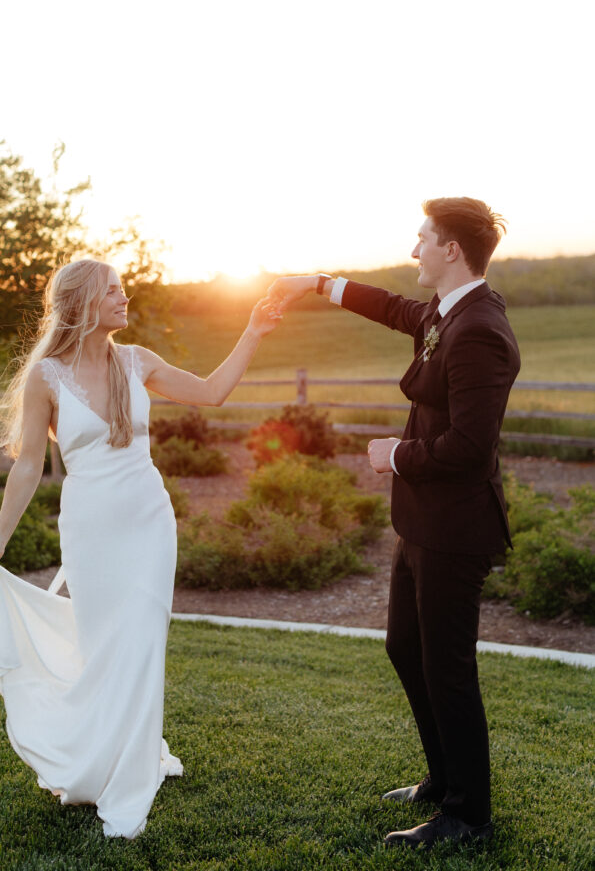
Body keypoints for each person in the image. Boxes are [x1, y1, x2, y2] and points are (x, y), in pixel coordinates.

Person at [0, 257, 281, 839]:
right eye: (114, 292)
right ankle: (94, 761)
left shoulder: (136, 361)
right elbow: (27, 466)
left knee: (143, 643)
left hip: (150, 522)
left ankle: (129, 778)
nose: (126, 299)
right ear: (81, 305)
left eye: (124, 289)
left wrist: (252, 329)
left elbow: (214, 393)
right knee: (104, 648)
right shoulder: (45, 377)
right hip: (90, 528)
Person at [266, 197, 520, 850]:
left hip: (456, 529)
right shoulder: (445, 311)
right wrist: (317, 282)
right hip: (421, 524)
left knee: (448, 669)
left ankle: (469, 817)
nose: (413, 250)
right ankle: (441, 780)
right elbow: (391, 307)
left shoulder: (480, 330)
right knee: (405, 649)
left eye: (422, 238)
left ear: (451, 250)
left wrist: (396, 455)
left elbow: (470, 447)